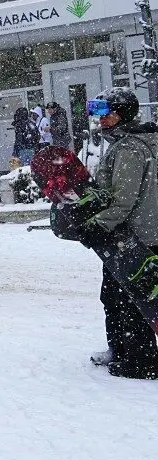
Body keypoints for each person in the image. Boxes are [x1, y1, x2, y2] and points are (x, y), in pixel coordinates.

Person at [75, 88, 158, 379]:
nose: (100, 119)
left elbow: (123, 199)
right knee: (123, 295)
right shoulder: (145, 139)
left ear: (122, 114)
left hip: (133, 237)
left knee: (127, 299)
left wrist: (96, 224)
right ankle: (122, 349)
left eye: (106, 113)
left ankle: (140, 360)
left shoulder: (129, 148)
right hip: (147, 232)